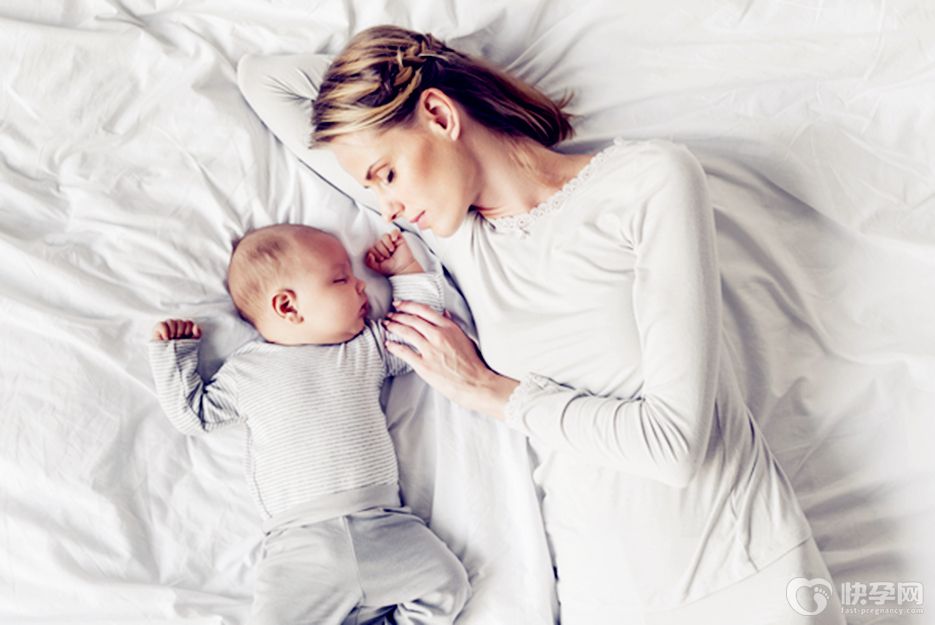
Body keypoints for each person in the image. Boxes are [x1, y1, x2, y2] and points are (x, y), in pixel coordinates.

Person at [308, 25, 847, 625]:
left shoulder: (646, 181)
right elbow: (265, 81)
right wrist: (401, 70)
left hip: (746, 574)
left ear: (438, 114)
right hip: (603, 597)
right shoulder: (461, 240)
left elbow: (674, 447)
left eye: (386, 174)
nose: (388, 209)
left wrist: (486, 390)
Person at [147, 223, 470, 625]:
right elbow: (194, 415)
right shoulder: (246, 372)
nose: (360, 285)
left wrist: (406, 271)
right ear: (288, 306)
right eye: (341, 278)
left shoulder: (362, 349)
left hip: (386, 525)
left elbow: (415, 338)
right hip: (301, 546)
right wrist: (175, 355)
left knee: (448, 583)